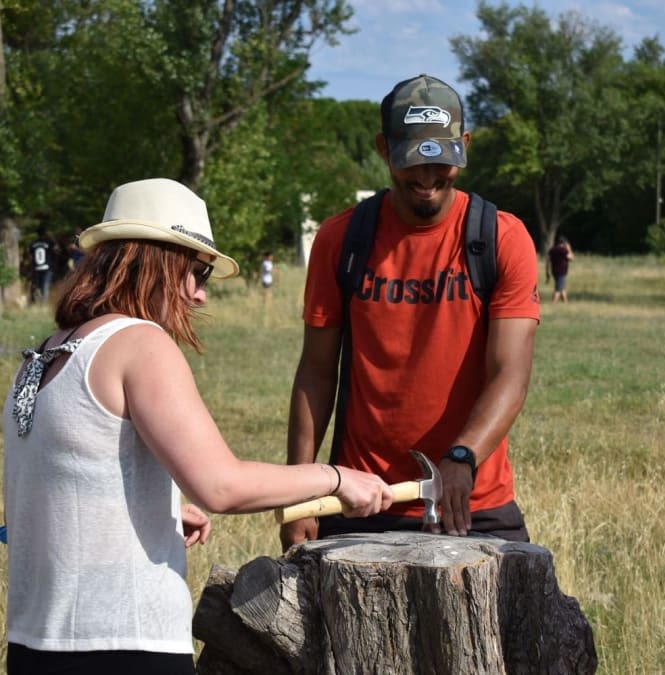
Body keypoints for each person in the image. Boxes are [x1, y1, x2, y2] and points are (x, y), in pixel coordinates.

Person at [2, 178, 393, 675]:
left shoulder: (47, 353)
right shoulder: (140, 344)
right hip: (124, 645)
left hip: (34, 646)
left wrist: (155, 507)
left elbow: (59, 486)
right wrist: (336, 477)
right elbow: (221, 486)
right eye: (198, 271)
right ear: (157, 262)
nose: (201, 294)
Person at [281, 74, 540, 550]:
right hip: (359, 501)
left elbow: (511, 375)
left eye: (441, 163)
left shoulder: (501, 238)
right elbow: (316, 374)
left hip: (473, 500)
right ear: (383, 148)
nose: (426, 179)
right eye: (411, 164)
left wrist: (463, 457)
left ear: (464, 145)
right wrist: (302, 492)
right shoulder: (342, 241)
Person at [546, 235, 574, 303]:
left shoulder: (552, 250)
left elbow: (548, 261)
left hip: (554, 271)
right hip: (562, 272)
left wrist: (547, 272)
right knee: (558, 290)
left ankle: (565, 303)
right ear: (564, 243)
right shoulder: (563, 250)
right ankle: (553, 303)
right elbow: (571, 258)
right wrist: (569, 249)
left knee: (562, 289)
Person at [29, 227, 53, 304]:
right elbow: (56, 251)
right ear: (44, 234)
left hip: (37, 268)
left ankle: (37, 302)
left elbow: (30, 256)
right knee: (45, 287)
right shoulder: (48, 242)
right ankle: (44, 303)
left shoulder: (33, 244)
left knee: (38, 286)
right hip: (47, 267)